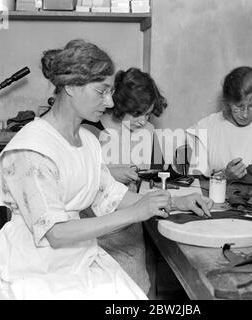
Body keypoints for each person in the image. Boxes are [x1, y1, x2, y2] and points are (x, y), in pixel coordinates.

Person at [0, 39, 213, 300]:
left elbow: (114, 196)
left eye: (110, 92)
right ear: (71, 87)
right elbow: (56, 233)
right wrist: (135, 214)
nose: (108, 102)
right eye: (101, 91)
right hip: (34, 266)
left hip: (77, 256)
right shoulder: (32, 148)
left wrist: (177, 201)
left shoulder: (88, 141)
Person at [82, 67, 168, 295]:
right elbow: (80, 178)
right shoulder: (91, 129)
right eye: (137, 114)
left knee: (134, 288)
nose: (143, 121)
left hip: (130, 224)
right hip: (94, 227)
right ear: (120, 106)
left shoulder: (147, 131)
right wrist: (111, 173)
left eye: (148, 114)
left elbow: (156, 170)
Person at [187, 66, 252, 181]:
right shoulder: (205, 128)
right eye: (238, 106)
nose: (245, 114)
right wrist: (224, 176)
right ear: (228, 101)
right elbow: (194, 182)